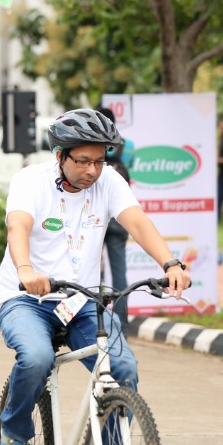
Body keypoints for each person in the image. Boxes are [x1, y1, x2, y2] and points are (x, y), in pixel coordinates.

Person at [0, 108, 190, 445]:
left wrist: (169, 263)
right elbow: (19, 227)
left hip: (81, 301)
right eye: (83, 160)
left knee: (123, 368)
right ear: (60, 155)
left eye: (100, 160)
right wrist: (27, 269)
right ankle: (13, 435)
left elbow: (137, 222)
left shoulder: (109, 182)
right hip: (26, 299)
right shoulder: (30, 180)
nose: (93, 170)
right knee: (35, 357)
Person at [96, 106, 132, 333]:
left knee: (91, 273)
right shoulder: (125, 146)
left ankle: (94, 323)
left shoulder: (89, 145)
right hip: (119, 214)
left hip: (95, 213)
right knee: (119, 273)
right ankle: (122, 327)